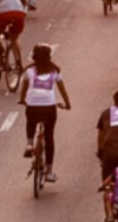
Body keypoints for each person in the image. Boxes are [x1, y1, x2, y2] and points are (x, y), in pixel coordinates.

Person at [18, 43, 71, 181]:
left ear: (34, 56)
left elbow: (23, 89)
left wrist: (22, 100)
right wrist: (68, 105)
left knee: (30, 121)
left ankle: (29, 143)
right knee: (49, 138)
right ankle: (49, 171)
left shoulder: (28, 71)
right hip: (49, 107)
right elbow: (62, 90)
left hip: (33, 106)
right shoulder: (55, 71)